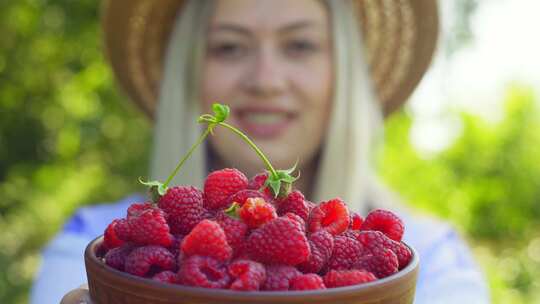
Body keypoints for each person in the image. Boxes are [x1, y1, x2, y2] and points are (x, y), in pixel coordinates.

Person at [31, 0, 490, 303]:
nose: (267, 79)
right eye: (229, 47)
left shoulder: (434, 261)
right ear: (189, 74)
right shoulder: (93, 246)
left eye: (300, 45)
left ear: (343, 73)